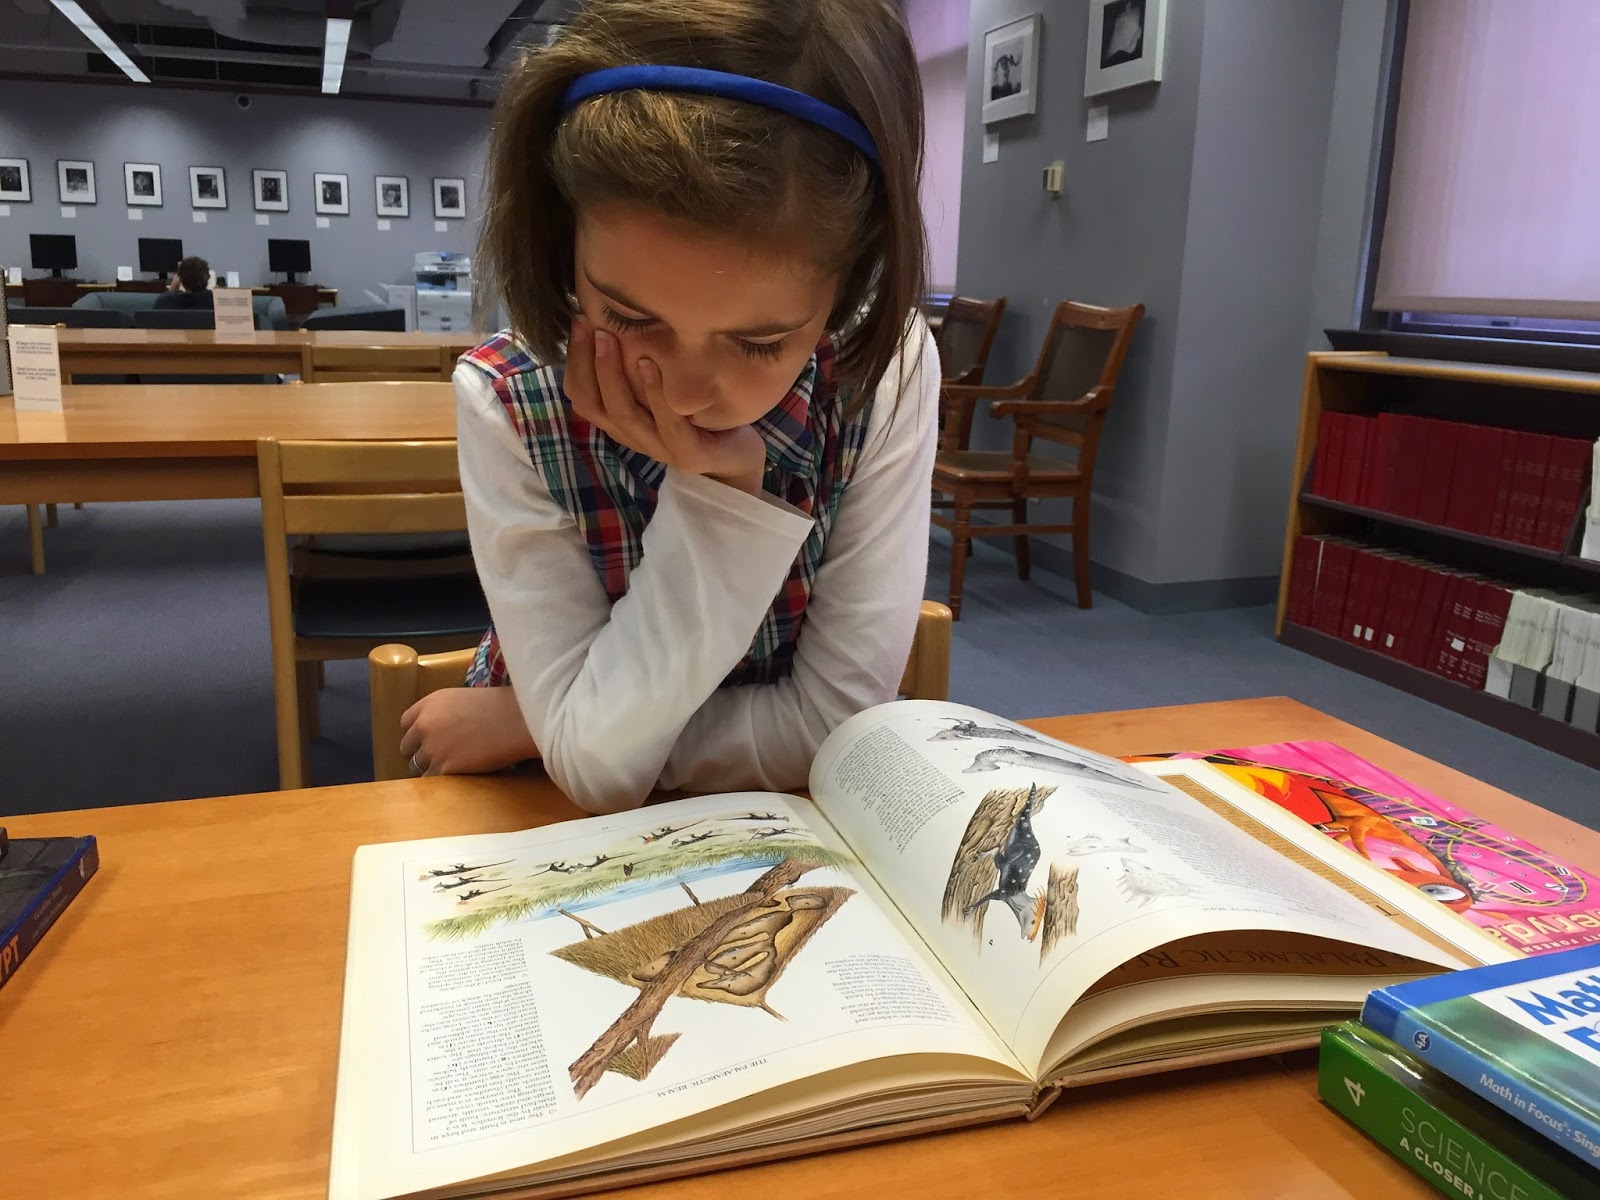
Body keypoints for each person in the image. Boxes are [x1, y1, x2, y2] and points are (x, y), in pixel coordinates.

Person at [399, 0, 936, 814]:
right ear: (562, 243)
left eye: (759, 343)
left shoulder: (883, 370)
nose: (683, 395)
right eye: (625, 315)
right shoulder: (508, 399)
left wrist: (534, 725)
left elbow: (834, 728)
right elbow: (593, 776)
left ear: (849, 283)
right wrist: (570, 740)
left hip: (783, 818)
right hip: (547, 816)